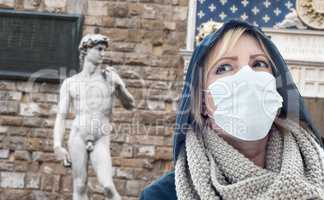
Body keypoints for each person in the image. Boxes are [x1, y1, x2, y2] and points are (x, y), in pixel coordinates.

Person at [140, 19, 324, 200]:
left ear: (278, 90)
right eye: (224, 67)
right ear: (201, 102)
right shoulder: (163, 195)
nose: (247, 76)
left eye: (258, 64)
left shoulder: (318, 175)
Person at [53, 34, 135, 200]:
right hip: (78, 136)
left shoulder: (109, 78)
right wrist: (57, 145)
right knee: (80, 185)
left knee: (108, 186)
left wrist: (120, 86)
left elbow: (130, 105)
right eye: (98, 49)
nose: (102, 53)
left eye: (104, 50)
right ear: (86, 50)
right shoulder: (70, 83)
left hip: (100, 138)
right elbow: (61, 117)